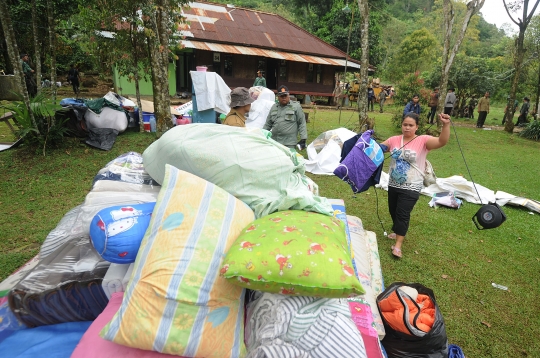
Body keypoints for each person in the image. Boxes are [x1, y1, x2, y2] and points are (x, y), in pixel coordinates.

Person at [380, 112, 451, 258]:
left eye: (411, 125)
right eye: (405, 124)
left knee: (402, 213)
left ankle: (398, 245)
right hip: (394, 184)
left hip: (412, 186)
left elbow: (442, 141)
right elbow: (380, 148)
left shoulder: (423, 140)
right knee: (393, 210)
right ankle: (397, 231)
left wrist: (446, 125)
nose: (407, 128)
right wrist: (366, 141)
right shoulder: (394, 140)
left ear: (417, 127)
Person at [263, 85, 307, 150]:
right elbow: (268, 124)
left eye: (285, 95)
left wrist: (303, 139)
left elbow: (302, 123)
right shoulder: (274, 107)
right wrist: (262, 135)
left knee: (288, 159)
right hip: (275, 141)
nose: (284, 98)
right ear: (278, 97)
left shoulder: (296, 106)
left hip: (289, 143)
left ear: (289, 95)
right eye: (281, 96)